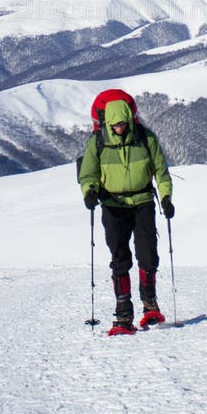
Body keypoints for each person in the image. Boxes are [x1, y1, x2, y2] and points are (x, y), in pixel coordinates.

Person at [78, 90, 175, 333]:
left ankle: (149, 302)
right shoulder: (98, 142)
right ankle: (123, 312)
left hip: (143, 201)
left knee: (147, 253)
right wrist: (89, 192)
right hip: (113, 206)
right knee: (119, 258)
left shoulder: (146, 138)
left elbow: (161, 173)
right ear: (108, 123)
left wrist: (166, 198)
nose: (120, 127)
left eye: (123, 123)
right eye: (115, 124)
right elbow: (88, 174)